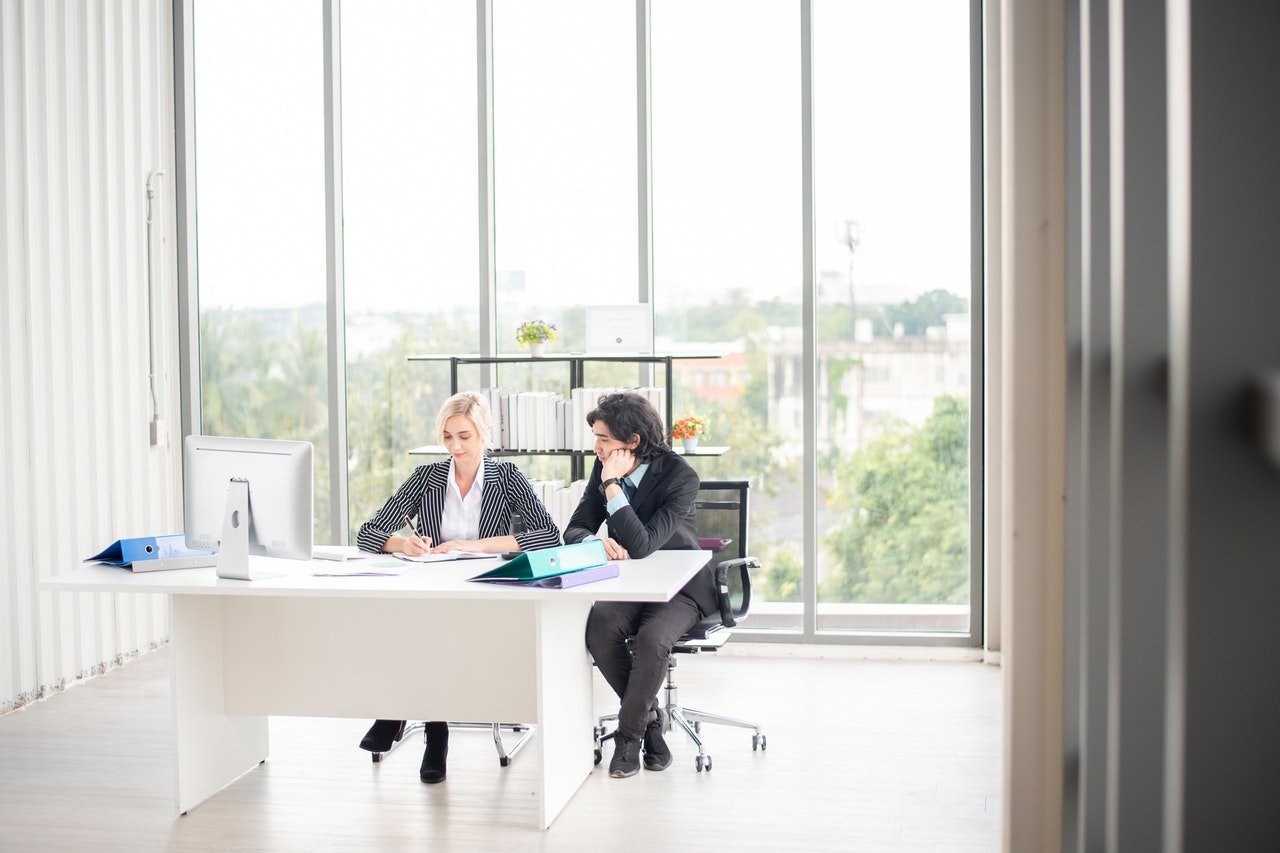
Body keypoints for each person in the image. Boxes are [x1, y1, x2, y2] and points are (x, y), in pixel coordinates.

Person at [354, 391, 561, 783]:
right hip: (435, 588)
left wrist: (474, 545)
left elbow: (548, 535)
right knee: (418, 623)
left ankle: (405, 717)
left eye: (464, 436)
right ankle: (433, 727)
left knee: (430, 629)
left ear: (484, 433)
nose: (455, 446)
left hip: (488, 590)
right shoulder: (428, 477)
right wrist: (405, 544)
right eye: (447, 437)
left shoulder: (506, 477)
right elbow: (368, 534)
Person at [563, 392, 717, 778]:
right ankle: (651, 722)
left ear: (632, 442)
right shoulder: (601, 471)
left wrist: (613, 487)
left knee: (652, 640)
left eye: (604, 440)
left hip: (680, 589)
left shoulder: (680, 476)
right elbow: (574, 529)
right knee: (600, 627)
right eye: (595, 438)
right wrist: (592, 541)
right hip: (631, 586)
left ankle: (628, 738)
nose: (597, 448)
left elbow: (644, 544)